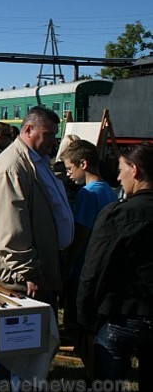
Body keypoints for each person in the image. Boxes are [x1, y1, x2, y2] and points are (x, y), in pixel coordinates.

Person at [0, 106, 74, 392]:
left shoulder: (37, 161)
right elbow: (11, 231)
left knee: (13, 342)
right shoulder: (11, 167)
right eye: (47, 135)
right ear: (28, 130)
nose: (52, 141)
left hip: (35, 269)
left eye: (54, 136)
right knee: (20, 343)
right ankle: (6, 390)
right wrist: (29, 270)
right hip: (21, 276)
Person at [77, 143, 153, 392]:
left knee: (107, 391)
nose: (118, 178)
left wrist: (84, 314)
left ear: (136, 169)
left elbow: (93, 268)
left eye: (121, 170)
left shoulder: (115, 215)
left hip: (120, 316)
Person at [59, 139, 118, 372]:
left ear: (83, 164)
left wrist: (66, 267)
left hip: (83, 268)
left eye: (70, 169)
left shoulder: (87, 194)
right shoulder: (108, 191)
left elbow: (80, 235)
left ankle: (96, 376)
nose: (69, 175)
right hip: (103, 266)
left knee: (76, 325)